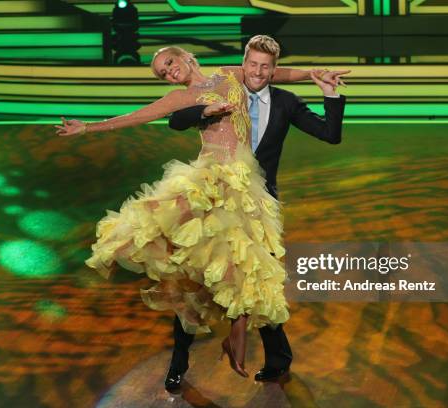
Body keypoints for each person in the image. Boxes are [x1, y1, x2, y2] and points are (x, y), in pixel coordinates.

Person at [55, 44, 348, 387]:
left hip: (252, 193)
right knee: (196, 274)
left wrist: (313, 75)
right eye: (162, 72)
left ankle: (265, 352)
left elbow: (273, 72)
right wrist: (89, 127)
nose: (168, 71)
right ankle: (181, 361)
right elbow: (141, 115)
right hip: (210, 187)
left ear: (186, 56)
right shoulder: (182, 98)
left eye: (169, 63)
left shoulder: (230, 74)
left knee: (253, 272)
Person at [165, 35, 347, 390]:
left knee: (260, 283)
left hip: (259, 205)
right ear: (243, 63)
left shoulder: (286, 103)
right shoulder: (219, 91)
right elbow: (175, 119)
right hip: (215, 203)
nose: (258, 72)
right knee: (196, 283)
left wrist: (330, 93)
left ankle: (278, 361)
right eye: (252, 64)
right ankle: (178, 364)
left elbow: (330, 134)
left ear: (273, 70)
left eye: (266, 67)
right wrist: (204, 112)